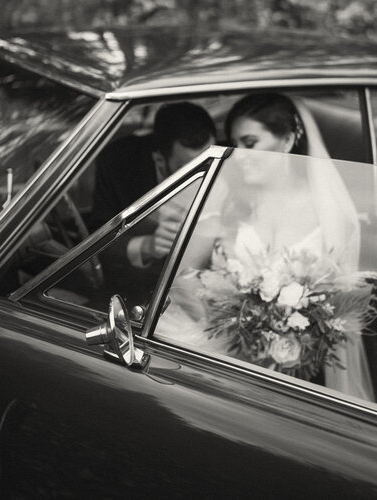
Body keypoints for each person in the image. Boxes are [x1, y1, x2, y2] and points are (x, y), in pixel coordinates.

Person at [157, 93, 375, 402]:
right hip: (203, 346)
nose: (240, 155)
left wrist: (294, 340)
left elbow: (342, 306)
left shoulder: (329, 211)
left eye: (250, 143)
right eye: (235, 144)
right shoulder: (227, 196)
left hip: (287, 368)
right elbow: (180, 275)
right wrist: (233, 330)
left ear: (287, 140)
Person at [89, 101, 216, 307]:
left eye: (208, 163)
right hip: (140, 294)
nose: (202, 176)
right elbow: (98, 240)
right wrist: (147, 246)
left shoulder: (233, 162)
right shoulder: (119, 165)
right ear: (159, 160)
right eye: (189, 169)